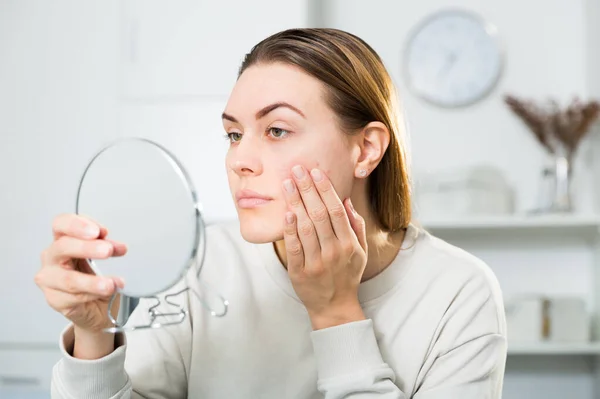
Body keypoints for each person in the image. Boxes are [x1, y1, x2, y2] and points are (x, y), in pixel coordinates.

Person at [35, 28, 507, 398]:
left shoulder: (459, 293)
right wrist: (94, 335)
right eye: (234, 134)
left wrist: (335, 313)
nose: (239, 160)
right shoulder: (202, 264)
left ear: (365, 149)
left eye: (277, 130)